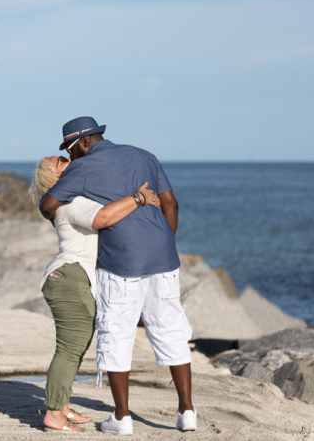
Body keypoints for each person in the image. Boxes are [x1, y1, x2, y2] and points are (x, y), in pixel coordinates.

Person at [40, 116, 196, 435]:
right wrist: (164, 240)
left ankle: (122, 419)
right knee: (172, 329)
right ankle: (187, 411)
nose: (71, 158)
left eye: (70, 150)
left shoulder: (83, 168)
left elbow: (48, 203)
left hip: (121, 260)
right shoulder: (144, 155)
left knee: (116, 333)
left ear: (83, 142)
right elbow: (171, 203)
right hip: (163, 257)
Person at [30, 155, 160, 433]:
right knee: (69, 349)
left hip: (72, 278)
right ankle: (54, 414)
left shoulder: (69, 201)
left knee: (74, 347)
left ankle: (61, 405)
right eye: (62, 160)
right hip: (69, 278)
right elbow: (103, 218)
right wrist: (138, 198)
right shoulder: (71, 203)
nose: (70, 160)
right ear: (55, 175)